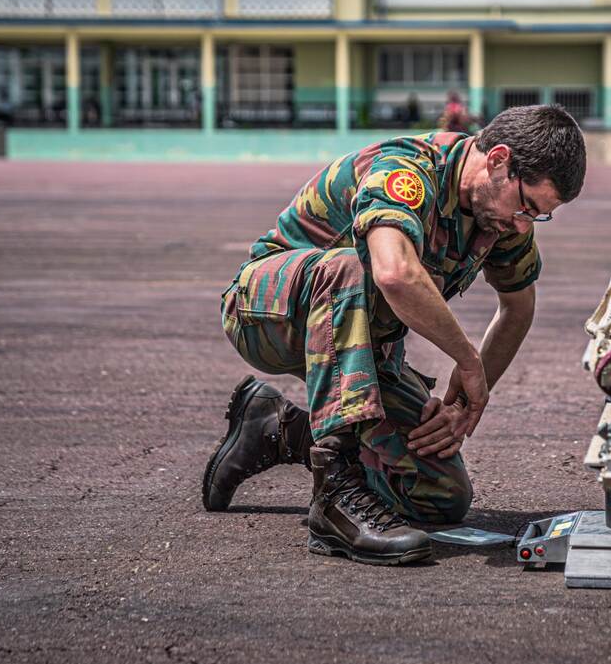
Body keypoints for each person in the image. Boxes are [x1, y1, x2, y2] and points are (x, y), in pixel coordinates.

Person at [202, 104, 586, 565]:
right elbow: (394, 274)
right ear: (499, 160)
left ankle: (278, 430)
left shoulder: (500, 216)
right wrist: (467, 361)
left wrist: (464, 400)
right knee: (349, 268)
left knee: (440, 494)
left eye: (539, 216)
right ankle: (335, 498)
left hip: (355, 348)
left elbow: (518, 308)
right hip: (267, 313)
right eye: (527, 207)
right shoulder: (406, 171)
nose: (524, 224)